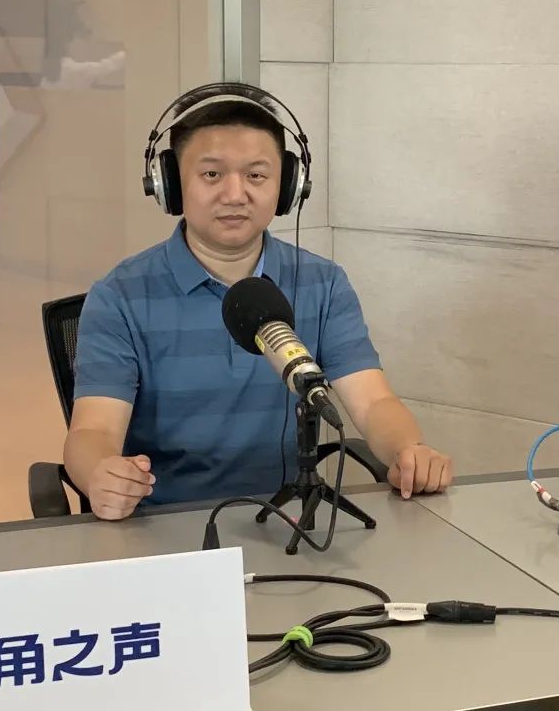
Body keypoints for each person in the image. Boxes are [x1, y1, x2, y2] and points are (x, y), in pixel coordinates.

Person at [63, 83, 453, 520]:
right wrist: (100, 475)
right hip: (165, 524)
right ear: (169, 185)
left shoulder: (322, 283)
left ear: (287, 187)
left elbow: (373, 402)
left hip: (286, 520)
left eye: (256, 176)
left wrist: (408, 450)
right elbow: (93, 429)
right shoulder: (120, 296)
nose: (235, 194)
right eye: (212, 175)